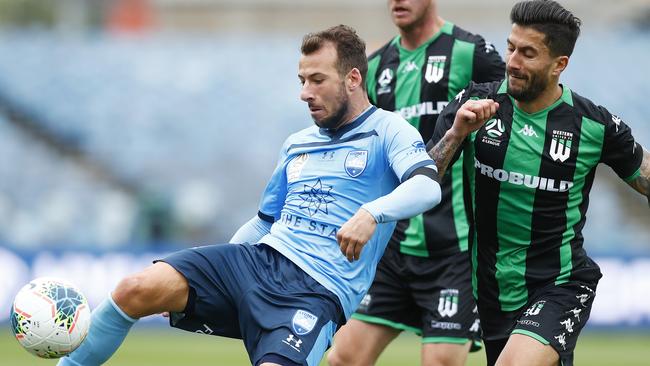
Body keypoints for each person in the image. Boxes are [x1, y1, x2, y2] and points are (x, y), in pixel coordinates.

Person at [57, 25, 443, 366]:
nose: (305, 93)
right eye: (301, 80)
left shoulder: (389, 130)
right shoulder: (297, 144)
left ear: (353, 78)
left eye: (317, 80)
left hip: (315, 292)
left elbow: (427, 186)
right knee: (134, 289)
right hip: (257, 262)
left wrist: (371, 214)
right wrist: (217, 278)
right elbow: (264, 223)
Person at [426, 1, 650, 365]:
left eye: (528, 53)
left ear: (559, 64)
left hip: (561, 284)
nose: (513, 61)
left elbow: (644, 176)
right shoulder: (475, 104)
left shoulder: (593, 125)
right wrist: (456, 135)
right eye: (511, 47)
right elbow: (423, 181)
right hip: (493, 289)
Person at [328, 1, 504, 365]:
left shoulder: (472, 52)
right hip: (393, 248)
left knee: (439, 361)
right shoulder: (375, 68)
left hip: (452, 251)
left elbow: (514, 114)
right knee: (341, 358)